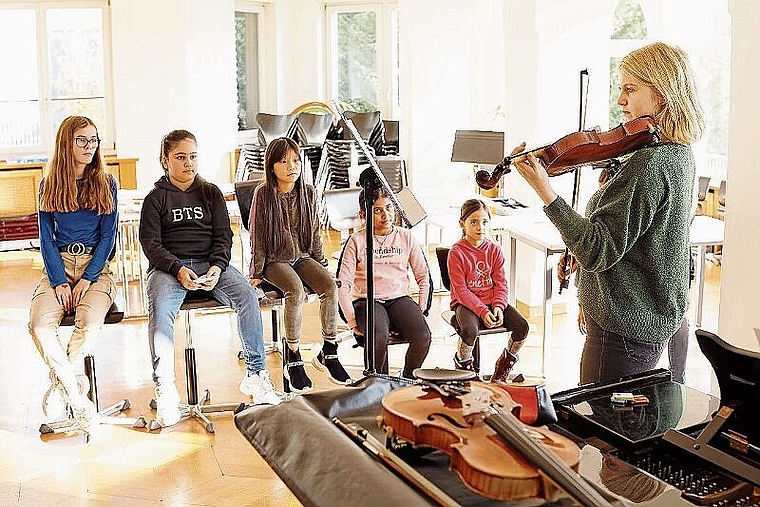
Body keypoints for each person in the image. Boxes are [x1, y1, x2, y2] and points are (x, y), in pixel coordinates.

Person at [512, 42, 704, 384]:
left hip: (625, 330)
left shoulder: (650, 164)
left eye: (630, 90)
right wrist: (580, 258)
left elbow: (598, 249)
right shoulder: (679, 153)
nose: (620, 101)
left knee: (602, 431)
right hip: (644, 319)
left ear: (663, 95)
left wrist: (545, 191)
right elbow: (636, 240)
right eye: (621, 89)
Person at [140, 129, 280, 427]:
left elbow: (223, 237)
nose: (188, 163)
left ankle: (256, 375)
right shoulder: (155, 199)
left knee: (247, 296)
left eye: (192, 156)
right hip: (169, 269)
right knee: (161, 311)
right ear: (165, 161)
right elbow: (151, 246)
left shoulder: (211, 192)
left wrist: (217, 267)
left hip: (209, 264)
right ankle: (165, 388)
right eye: (180, 157)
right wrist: (178, 269)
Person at [28, 115, 118, 434]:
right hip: (59, 265)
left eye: (94, 140)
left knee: (89, 322)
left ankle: (61, 384)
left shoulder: (106, 183)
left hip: (96, 267)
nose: (89, 146)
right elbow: (46, 238)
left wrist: (87, 278)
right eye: (82, 140)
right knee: (39, 324)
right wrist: (58, 281)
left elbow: (109, 236)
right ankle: (74, 392)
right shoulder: (48, 184)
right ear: (67, 143)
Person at [250, 137, 350, 392]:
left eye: (295, 160)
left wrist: (322, 265)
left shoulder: (307, 192)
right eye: (283, 161)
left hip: (303, 256)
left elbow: (314, 232)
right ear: (271, 166)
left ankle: (329, 350)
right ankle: (293, 355)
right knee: (295, 290)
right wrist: (257, 272)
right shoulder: (263, 194)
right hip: (275, 259)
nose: (291, 166)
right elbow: (257, 236)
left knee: (329, 286)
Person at [337, 186, 432, 379]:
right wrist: (352, 320)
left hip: (399, 299)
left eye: (389, 208)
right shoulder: (356, 241)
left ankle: (407, 378)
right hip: (367, 300)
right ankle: (378, 384)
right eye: (377, 210)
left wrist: (420, 310)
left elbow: (423, 277)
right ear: (364, 214)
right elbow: (343, 284)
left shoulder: (406, 237)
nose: (385, 215)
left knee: (423, 337)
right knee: (377, 336)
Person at [448, 199, 529, 384]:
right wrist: (483, 311)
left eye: (484, 222)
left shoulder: (495, 250)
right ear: (463, 224)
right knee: (469, 330)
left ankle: (504, 366)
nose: (480, 227)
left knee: (522, 326)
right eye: (474, 222)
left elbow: (501, 283)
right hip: (466, 303)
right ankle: (464, 365)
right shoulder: (456, 252)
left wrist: (499, 306)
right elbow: (461, 290)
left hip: (492, 301)